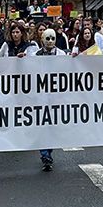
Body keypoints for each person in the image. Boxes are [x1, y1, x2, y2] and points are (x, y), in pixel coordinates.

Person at [34, 28, 61, 170]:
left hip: (56, 97)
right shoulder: (35, 56)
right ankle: (45, 154)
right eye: (47, 38)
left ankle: (48, 151)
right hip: (41, 96)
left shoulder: (62, 55)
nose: (50, 41)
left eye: (53, 38)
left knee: (52, 127)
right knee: (42, 125)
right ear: (42, 40)